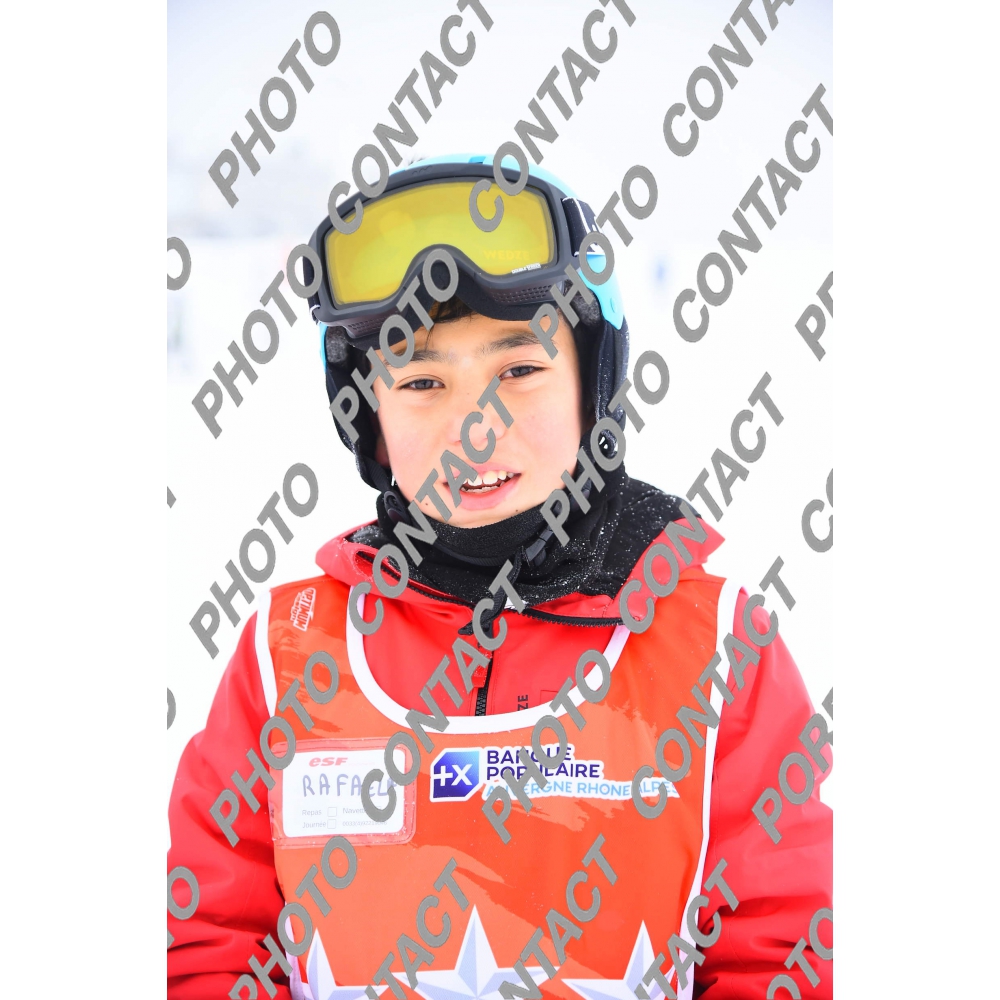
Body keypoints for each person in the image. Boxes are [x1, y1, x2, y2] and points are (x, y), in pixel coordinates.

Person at [167, 156, 832, 1000]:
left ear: (593, 382)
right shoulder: (288, 657)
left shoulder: (718, 651)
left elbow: (782, 952)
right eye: (422, 381)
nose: (474, 427)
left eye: (518, 370)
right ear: (366, 414)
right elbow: (208, 941)